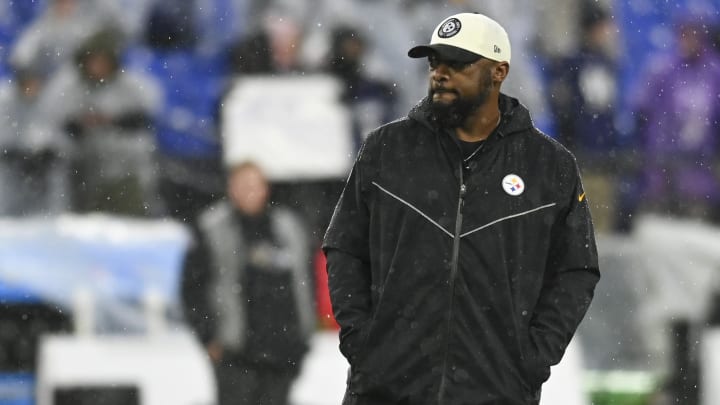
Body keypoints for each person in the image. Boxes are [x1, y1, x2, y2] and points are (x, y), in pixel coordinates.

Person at [323, 12, 600, 405]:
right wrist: (363, 345)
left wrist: (533, 357)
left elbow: (576, 270)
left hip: (495, 391)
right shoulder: (387, 149)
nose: (440, 73)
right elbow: (345, 248)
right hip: (385, 391)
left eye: (458, 63)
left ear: (499, 71)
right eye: (436, 62)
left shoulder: (548, 166)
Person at [181, 160, 316, 405]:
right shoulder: (212, 228)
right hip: (235, 351)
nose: (249, 191)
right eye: (243, 184)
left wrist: (304, 338)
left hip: (282, 351)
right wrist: (208, 337)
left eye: (255, 184)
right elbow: (192, 288)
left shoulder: (288, 227)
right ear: (231, 187)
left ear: (266, 188)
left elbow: (306, 283)